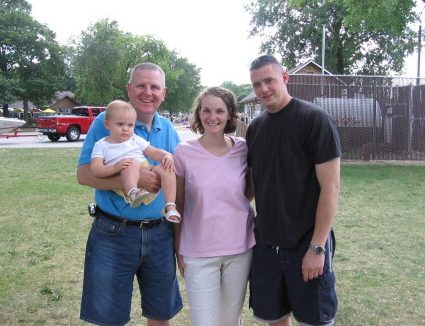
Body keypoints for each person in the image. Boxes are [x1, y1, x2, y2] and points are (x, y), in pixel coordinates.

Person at [77, 62, 183, 326]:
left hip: (160, 235)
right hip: (113, 233)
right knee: (109, 317)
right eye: (141, 85)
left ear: (164, 92)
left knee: (161, 314)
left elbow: (179, 184)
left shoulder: (168, 129)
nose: (148, 92)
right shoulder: (107, 124)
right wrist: (131, 181)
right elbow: (85, 175)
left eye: (154, 87)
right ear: (129, 89)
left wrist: (180, 242)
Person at [246, 55, 342, 326]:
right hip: (266, 242)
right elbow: (252, 185)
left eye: (269, 81)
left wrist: (317, 247)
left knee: (315, 319)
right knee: (274, 317)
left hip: (306, 242)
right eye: (256, 84)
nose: (263, 89)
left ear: (285, 78)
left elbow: (331, 188)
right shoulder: (255, 127)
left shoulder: (314, 119)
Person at [174, 86, 255, 326]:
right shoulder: (183, 152)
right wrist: (178, 248)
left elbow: (248, 192)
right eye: (206, 110)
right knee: (203, 322)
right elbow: (177, 205)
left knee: (231, 320)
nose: (213, 117)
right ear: (199, 113)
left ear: (230, 114)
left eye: (220, 111)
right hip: (197, 251)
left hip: (239, 249)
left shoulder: (243, 148)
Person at [90, 100, 181, 222]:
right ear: (107, 125)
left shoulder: (135, 139)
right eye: (120, 124)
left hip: (145, 168)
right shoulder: (101, 145)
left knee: (167, 169)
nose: (125, 129)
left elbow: (153, 152)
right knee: (131, 162)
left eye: (130, 125)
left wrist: (166, 155)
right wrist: (115, 167)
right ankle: (133, 192)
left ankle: (170, 206)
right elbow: (96, 169)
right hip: (125, 175)